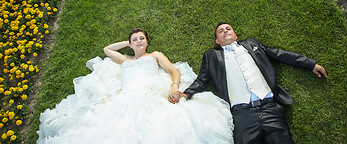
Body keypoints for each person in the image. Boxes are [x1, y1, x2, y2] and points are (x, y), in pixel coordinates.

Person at [37, 27, 234, 144]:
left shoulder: (155, 55)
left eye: (142, 38)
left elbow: (174, 71)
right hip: (126, 98)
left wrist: (174, 87)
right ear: (130, 44)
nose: (139, 41)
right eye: (135, 39)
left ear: (147, 42)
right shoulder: (125, 60)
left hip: (151, 96)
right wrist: (128, 42)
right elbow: (106, 49)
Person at [171, 22, 328, 144]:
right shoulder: (212, 56)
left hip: (270, 108)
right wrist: (186, 93)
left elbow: (280, 54)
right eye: (221, 31)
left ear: (235, 34)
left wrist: (310, 64)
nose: (225, 31)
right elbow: (202, 79)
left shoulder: (252, 44)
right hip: (242, 115)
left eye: (228, 29)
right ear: (217, 41)